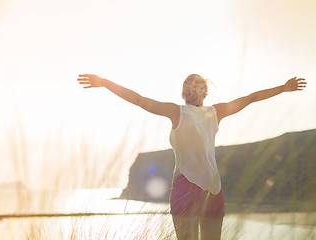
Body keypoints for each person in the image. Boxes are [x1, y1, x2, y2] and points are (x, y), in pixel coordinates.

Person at [77, 73, 306, 240]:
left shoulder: (215, 112)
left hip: (212, 190)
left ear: (204, 92)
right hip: (190, 188)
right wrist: (105, 83)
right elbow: (139, 100)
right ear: (184, 92)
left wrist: (283, 88)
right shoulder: (176, 111)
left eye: (199, 86)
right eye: (192, 86)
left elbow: (250, 98)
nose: (196, 90)